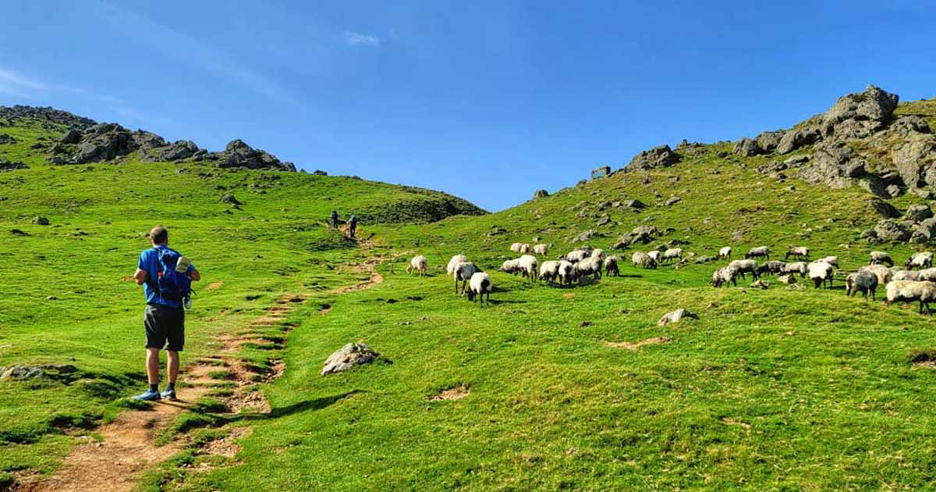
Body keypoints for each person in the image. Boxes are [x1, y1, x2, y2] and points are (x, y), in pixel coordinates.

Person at [132, 225, 200, 401]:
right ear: (167, 239)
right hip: (176, 308)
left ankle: (153, 390)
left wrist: (146, 277)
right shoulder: (177, 256)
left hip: (155, 306)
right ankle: (170, 389)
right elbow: (196, 276)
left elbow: (139, 278)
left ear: (151, 240)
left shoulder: (147, 254)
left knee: (153, 348)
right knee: (173, 349)